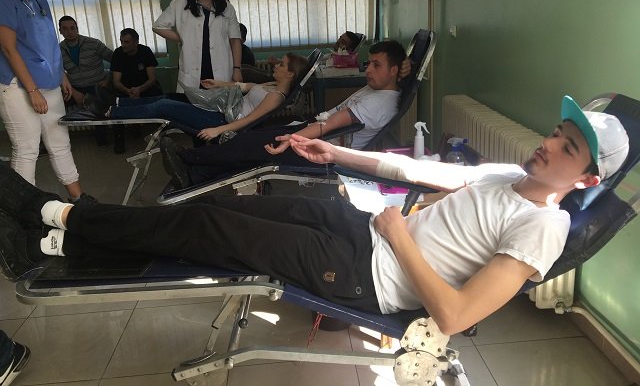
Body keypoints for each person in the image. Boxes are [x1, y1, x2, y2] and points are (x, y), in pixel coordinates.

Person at [0, 96, 629, 335]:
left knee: (208, 230)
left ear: (587, 179)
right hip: (364, 232)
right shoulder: (509, 175)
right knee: (218, 205)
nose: (549, 144)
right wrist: (336, 153)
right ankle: (67, 241)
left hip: (368, 274)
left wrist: (400, 235)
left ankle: (60, 218)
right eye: (556, 131)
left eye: (568, 148)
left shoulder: (544, 228)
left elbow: (456, 316)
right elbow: (421, 174)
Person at [161, 40, 407, 188]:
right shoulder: (382, 88)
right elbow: (404, 72)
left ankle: (188, 158)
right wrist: (409, 66)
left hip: (321, 150)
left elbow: (330, 125)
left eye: (376, 65)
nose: (368, 70)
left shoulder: (380, 103)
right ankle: (195, 174)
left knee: (249, 145)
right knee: (251, 148)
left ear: (394, 70)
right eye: (369, 63)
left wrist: (293, 139)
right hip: (316, 136)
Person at [0, 0, 96, 205]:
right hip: (17, 84)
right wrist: (32, 90)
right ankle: (22, 210)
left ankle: (78, 198)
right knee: (27, 148)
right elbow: (8, 48)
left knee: (59, 140)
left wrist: (61, 74)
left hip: (48, 78)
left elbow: (49, 39)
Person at [83, 53, 309, 139]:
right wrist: (217, 84)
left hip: (221, 120)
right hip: (222, 107)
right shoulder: (272, 85)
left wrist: (217, 131)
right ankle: (117, 101)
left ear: (290, 73)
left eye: (281, 64)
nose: (276, 65)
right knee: (172, 96)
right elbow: (243, 86)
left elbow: (248, 121)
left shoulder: (277, 96)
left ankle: (110, 111)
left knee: (164, 105)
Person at [152, 0, 242, 92]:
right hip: (192, 70)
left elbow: (235, 39)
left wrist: (237, 68)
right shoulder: (180, 4)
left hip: (221, 68)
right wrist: (182, 37)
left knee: (221, 102)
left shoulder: (225, 6)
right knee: (190, 103)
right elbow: (158, 26)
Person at [109, 28, 163, 154]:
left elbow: (152, 79)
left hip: (146, 87)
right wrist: (129, 91)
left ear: (136, 42)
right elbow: (116, 82)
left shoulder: (145, 51)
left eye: (127, 42)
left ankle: (162, 136)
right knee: (116, 107)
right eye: (121, 41)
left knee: (161, 102)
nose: (123, 45)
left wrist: (139, 89)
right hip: (125, 89)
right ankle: (119, 141)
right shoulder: (118, 53)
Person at [58, 15, 113, 105]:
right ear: (60, 31)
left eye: (72, 28)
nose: (69, 32)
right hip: (76, 89)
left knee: (104, 107)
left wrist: (108, 80)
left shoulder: (93, 43)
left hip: (98, 86)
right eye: (65, 29)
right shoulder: (58, 50)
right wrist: (74, 92)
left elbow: (116, 61)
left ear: (77, 29)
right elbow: (58, 73)